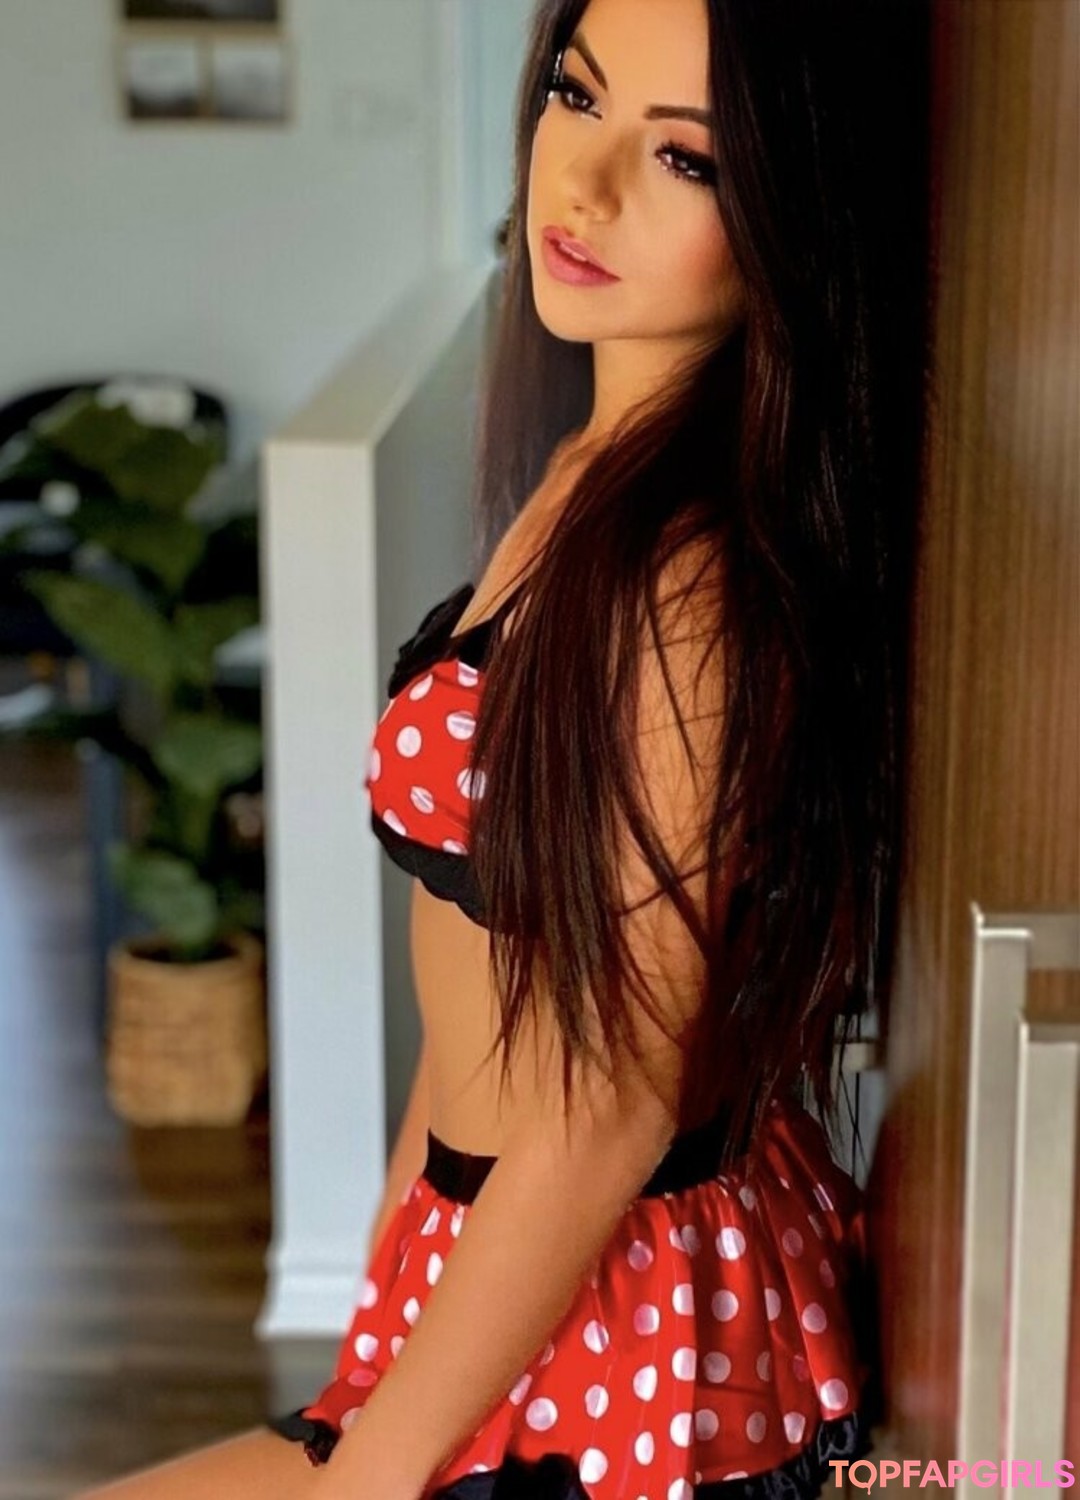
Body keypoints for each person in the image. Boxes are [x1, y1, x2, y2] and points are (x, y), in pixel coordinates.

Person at [76, 0, 930, 1494]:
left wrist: (371, 1471)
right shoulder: (588, 471)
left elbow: (608, 1107)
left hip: (617, 1318)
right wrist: (389, 1276)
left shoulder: (689, 586)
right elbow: (494, 972)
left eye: (685, 160)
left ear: (794, 214)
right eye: (575, 97)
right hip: (501, 1257)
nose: (580, 185)